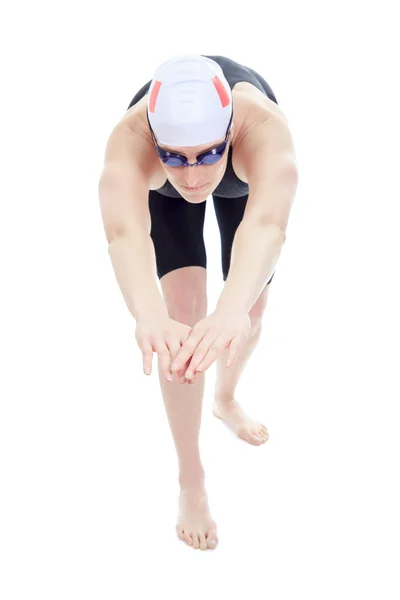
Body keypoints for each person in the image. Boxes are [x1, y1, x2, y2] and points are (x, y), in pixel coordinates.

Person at [98, 54, 298, 551]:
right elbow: (125, 234)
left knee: (247, 314)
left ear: (229, 134)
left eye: (207, 154)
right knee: (180, 324)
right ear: (154, 141)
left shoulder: (265, 132)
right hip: (162, 180)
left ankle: (225, 399)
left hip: (244, 175)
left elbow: (268, 226)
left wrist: (232, 309)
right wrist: (147, 315)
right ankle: (192, 478)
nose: (191, 178)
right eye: (176, 157)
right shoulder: (131, 143)